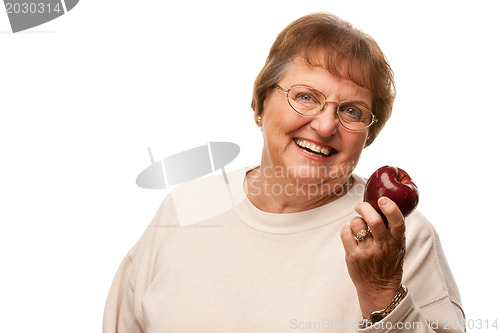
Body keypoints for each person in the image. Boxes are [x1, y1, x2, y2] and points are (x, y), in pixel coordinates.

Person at [103, 12, 464, 332]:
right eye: (306, 96)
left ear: (367, 136)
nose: (324, 126)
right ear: (261, 104)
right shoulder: (187, 207)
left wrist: (382, 292)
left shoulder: (397, 236)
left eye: (351, 111)